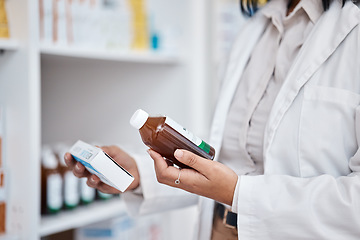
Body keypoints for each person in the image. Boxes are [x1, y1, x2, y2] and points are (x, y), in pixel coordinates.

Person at [65, 0, 360, 238]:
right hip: (218, 230)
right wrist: (139, 175)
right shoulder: (254, 30)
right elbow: (227, 162)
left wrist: (238, 193)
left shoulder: (352, 32)